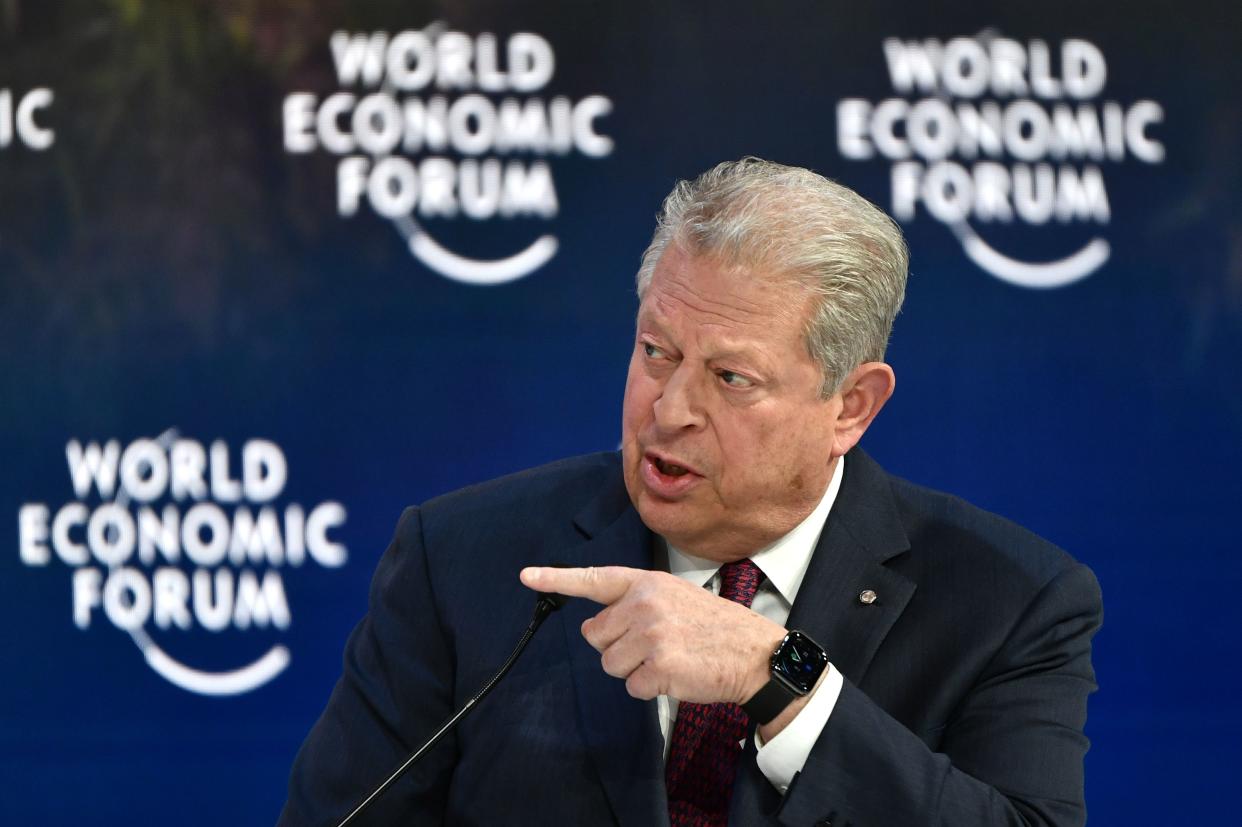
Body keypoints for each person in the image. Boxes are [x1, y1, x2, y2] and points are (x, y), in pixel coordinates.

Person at [279, 158, 1102, 826]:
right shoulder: (466, 559)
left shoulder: (1009, 601)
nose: (670, 411)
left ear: (851, 405)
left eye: (730, 377)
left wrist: (781, 676)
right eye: (656, 352)